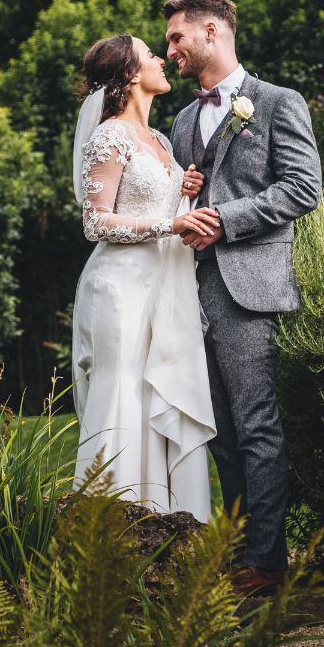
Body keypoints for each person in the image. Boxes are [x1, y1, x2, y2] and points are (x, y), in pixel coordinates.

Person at [164, 0, 322, 595]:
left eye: (177, 37)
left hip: (248, 287)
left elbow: (303, 188)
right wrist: (185, 196)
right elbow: (182, 198)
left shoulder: (278, 102)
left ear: (211, 31)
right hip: (187, 288)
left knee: (257, 426)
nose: (171, 50)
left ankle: (267, 563)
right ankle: (238, 554)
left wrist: (225, 219)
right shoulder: (182, 121)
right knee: (220, 432)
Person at [70, 33, 220, 522]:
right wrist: (171, 222)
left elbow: (157, 204)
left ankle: (170, 526)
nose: (162, 59)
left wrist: (184, 191)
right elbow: (97, 222)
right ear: (132, 74)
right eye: (151, 55)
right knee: (124, 393)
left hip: (162, 289)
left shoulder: (158, 140)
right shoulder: (108, 136)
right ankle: (110, 526)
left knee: (158, 392)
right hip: (120, 289)